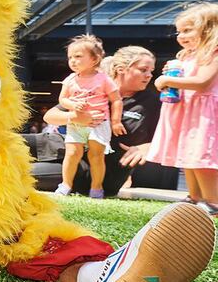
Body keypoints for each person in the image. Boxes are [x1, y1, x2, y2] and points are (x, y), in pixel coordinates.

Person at [42, 46, 160, 197]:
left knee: (24, 170)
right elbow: (50, 116)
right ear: (120, 69)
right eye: (143, 70)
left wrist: (148, 147)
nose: (149, 75)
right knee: (11, 140)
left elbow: (173, 136)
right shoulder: (95, 88)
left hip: (90, 172)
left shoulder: (152, 102)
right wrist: (76, 117)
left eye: (151, 71)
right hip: (62, 146)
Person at [147, 2, 218, 215]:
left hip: (202, 112)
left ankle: (212, 200)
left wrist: (167, 80)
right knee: (187, 155)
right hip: (187, 110)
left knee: (200, 156)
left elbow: (202, 82)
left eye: (188, 30)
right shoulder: (187, 55)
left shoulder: (213, 52)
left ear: (208, 29)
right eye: (179, 31)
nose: (181, 36)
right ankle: (194, 196)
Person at [54, 34, 125, 199]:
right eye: (70, 57)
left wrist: (115, 122)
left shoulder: (103, 79)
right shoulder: (70, 79)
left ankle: (96, 187)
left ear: (95, 59)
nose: (73, 60)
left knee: (96, 156)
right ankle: (65, 184)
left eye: (78, 56)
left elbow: (116, 100)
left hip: (98, 123)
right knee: (72, 153)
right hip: (76, 124)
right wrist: (72, 105)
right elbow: (62, 99)